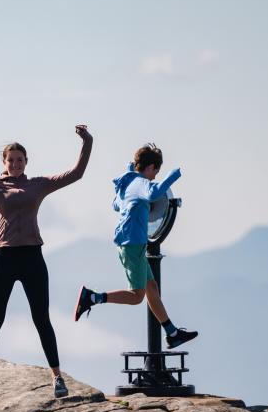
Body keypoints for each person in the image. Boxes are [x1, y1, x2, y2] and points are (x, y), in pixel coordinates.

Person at [0, 125, 93, 402]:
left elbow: (76, 173)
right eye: (10, 160)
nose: (15, 163)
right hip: (4, 258)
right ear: (4, 163)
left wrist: (87, 142)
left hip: (33, 257)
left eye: (20, 159)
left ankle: (57, 377)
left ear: (26, 162)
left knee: (41, 319)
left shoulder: (39, 184)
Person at [73, 143, 198, 349]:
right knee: (136, 297)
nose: (154, 178)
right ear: (150, 167)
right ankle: (92, 297)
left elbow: (116, 204)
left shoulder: (129, 183)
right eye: (155, 172)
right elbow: (153, 193)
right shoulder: (140, 184)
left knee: (151, 287)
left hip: (131, 244)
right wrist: (174, 175)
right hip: (132, 244)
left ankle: (172, 333)